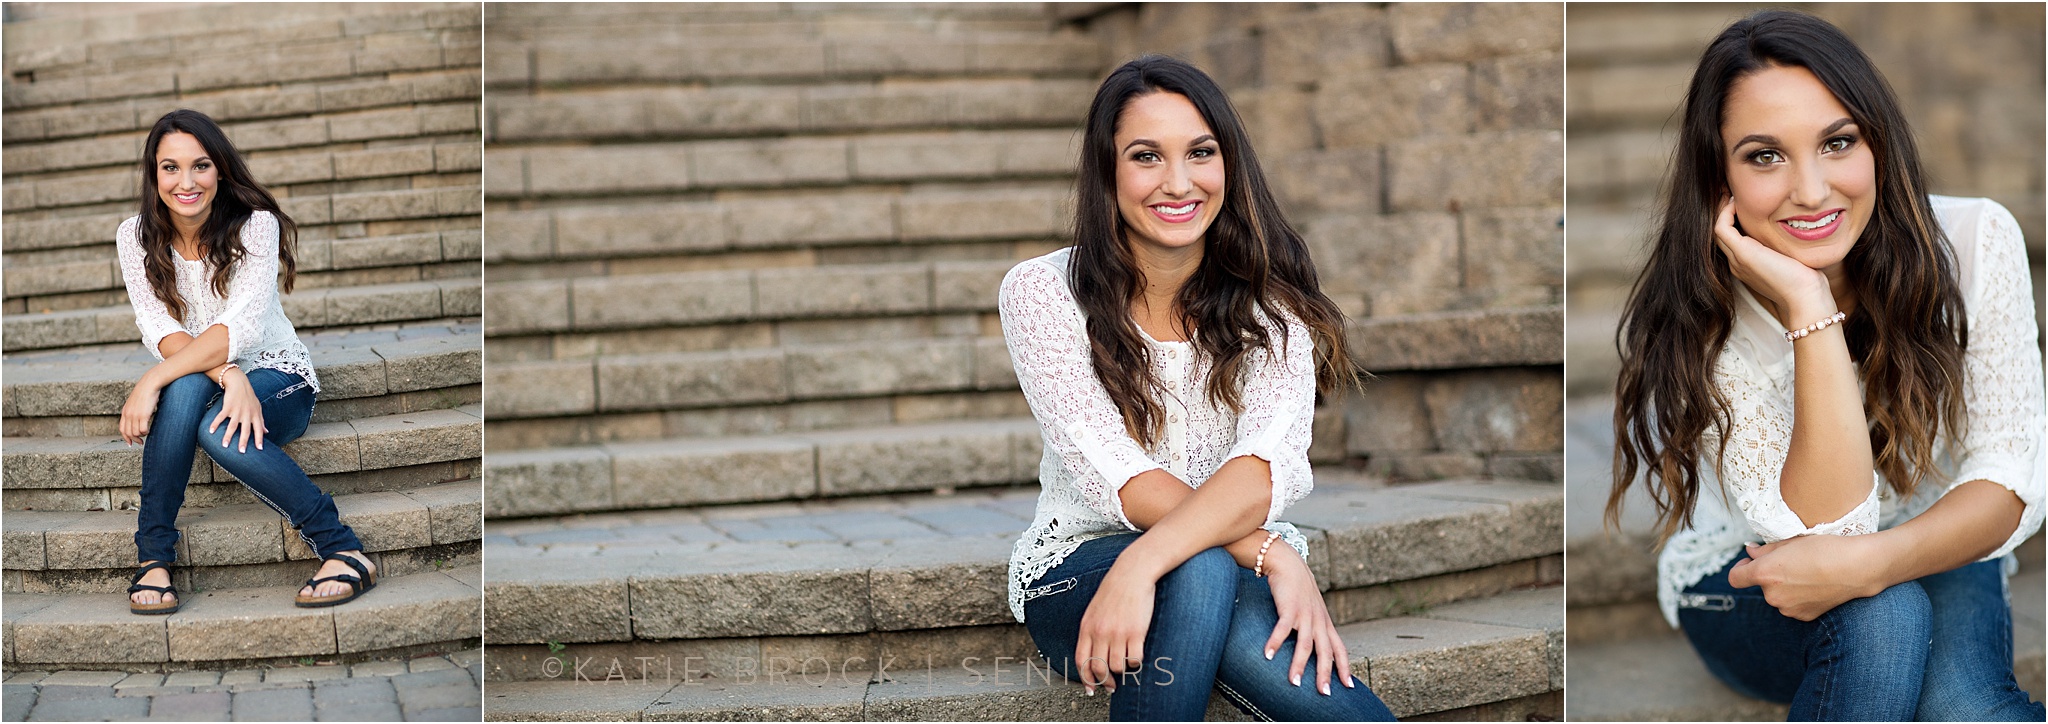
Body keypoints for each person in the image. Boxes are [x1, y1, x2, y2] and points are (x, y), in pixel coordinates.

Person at [1606, 11, 2044, 721]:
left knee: (1967, 706)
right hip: (1748, 574)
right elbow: (1822, 536)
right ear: (1719, 178)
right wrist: (1808, 301)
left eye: (1837, 142)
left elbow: (2006, 478)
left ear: (1878, 142)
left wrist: (1876, 563)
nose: (1811, 192)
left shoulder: (1974, 242)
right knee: (1886, 617)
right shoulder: (1707, 314)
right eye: (1764, 156)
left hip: (1943, 538)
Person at [999, 55, 1392, 721]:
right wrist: (1270, 555)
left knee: (1212, 582)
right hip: (1081, 577)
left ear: (1229, 165)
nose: (1178, 182)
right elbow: (1111, 472)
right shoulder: (1044, 293)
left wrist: (1149, 559)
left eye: (1200, 152)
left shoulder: (1275, 312)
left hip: (1224, 576)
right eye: (1146, 156)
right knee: (1201, 569)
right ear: (1107, 173)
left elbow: (1263, 470)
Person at [118, 109, 378, 615]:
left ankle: (341, 546)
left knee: (210, 424)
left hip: (280, 376)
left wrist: (152, 379)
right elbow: (160, 329)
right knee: (187, 388)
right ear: (153, 175)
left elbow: (243, 327)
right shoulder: (135, 236)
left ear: (220, 170)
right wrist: (229, 374)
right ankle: (154, 559)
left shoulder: (255, 227)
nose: (186, 182)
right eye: (170, 168)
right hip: (213, 375)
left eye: (201, 166)